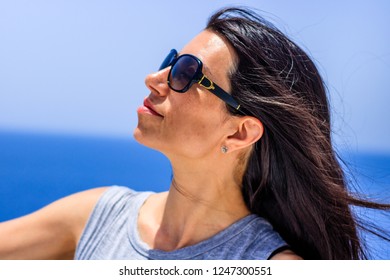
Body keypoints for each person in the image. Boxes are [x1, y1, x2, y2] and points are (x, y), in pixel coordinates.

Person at [0, 7, 389, 260]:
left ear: (240, 133)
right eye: (171, 62)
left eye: (186, 72)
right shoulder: (100, 215)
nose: (154, 79)